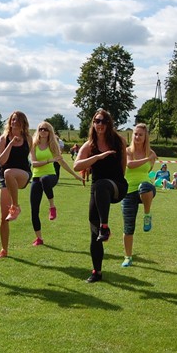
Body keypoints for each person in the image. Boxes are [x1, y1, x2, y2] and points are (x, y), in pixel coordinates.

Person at [73, 109, 128, 283]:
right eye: (97, 121)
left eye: (104, 121)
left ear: (109, 123)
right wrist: (97, 158)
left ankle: (105, 226)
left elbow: (123, 167)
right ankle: (97, 272)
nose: (100, 124)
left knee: (102, 184)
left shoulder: (118, 142)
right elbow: (76, 165)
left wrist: (113, 185)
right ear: (93, 123)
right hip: (97, 191)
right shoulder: (90, 145)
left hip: (117, 187)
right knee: (94, 232)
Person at [29, 120, 83, 247]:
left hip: (50, 176)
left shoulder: (53, 145)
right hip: (36, 177)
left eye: (45, 129)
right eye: (41, 129)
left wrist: (75, 175)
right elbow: (34, 163)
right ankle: (39, 238)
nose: (43, 131)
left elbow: (62, 162)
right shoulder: (34, 145)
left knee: (45, 179)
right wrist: (50, 160)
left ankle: (52, 207)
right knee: (34, 210)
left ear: (49, 132)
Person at [0, 111, 33, 260]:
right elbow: (1, 161)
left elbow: (29, 156)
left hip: (23, 175)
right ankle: (4, 250)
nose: (15, 122)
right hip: (6, 179)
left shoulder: (28, 138)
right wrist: (11, 143)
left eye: (18, 120)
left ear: (23, 123)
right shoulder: (3, 139)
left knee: (10, 172)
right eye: (13, 119)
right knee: (3, 218)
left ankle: (15, 206)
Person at [120, 123, 157, 267]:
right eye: (135, 134)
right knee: (128, 227)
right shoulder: (128, 151)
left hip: (146, 189)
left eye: (140, 134)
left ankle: (147, 214)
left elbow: (148, 172)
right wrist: (148, 159)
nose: (137, 137)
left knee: (145, 186)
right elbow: (130, 165)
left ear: (145, 136)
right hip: (128, 192)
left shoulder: (150, 153)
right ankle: (128, 257)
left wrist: (149, 158)